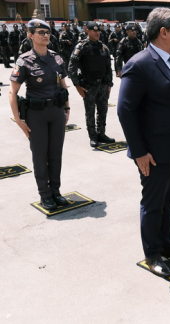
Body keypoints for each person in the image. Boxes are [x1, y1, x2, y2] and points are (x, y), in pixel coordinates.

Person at [117, 7, 170, 278]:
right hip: (154, 153)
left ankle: (168, 245)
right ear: (163, 33)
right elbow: (125, 110)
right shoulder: (139, 64)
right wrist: (139, 152)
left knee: (169, 204)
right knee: (153, 205)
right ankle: (153, 254)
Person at [8, 19, 70, 210]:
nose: (45, 35)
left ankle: (56, 191)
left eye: (47, 32)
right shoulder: (24, 60)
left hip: (56, 112)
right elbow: (13, 93)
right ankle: (45, 194)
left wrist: (66, 109)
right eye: (40, 32)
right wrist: (19, 120)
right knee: (40, 155)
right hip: (36, 114)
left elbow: (63, 85)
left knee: (55, 154)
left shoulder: (56, 58)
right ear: (30, 35)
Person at [68, 22, 115, 148]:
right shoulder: (82, 46)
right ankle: (93, 136)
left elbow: (108, 67)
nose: (97, 33)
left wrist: (109, 84)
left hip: (103, 85)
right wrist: (77, 85)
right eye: (94, 31)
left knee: (103, 110)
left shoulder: (103, 47)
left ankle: (101, 134)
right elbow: (71, 67)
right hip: (89, 85)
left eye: (98, 31)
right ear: (87, 31)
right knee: (90, 112)